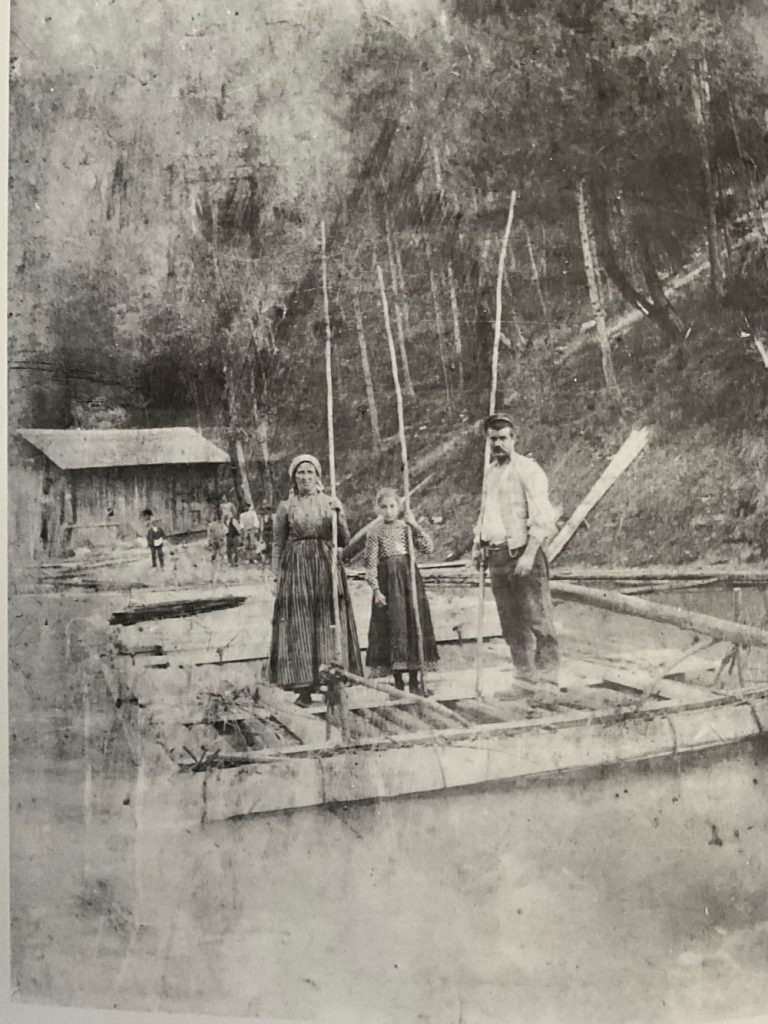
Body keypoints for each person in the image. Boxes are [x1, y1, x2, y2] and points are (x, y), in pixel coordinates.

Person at [472, 412, 560, 684]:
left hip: (522, 555)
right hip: (496, 557)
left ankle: (548, 680)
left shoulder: (527, 470)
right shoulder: (490, 473)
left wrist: (530, 554)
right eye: (492, 439)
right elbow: (486, 513)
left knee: (537, 619)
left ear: (514, 439)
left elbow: (542, 516)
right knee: (510, 623)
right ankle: (524, 678)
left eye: (502, 438)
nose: (497, 444)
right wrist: (478, 544)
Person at [269, 454, 363, 706]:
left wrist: (338, 515)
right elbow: (277, 544)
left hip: (325, 565)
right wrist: (276, 576)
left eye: (310, 473)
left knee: (328, 621)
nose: (305, 477)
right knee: (299, 624)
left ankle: (332, 682)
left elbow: (344, 540)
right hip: (297, 567)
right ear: (293, 478)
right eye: (301, 473)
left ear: (317, 476)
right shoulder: (285, 507)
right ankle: (304, 687)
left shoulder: (330, 503)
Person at [364, 487, 438, 692]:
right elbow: (369, 563)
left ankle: (414, 682)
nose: (388, 511)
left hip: (409, 581)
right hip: (388, 582)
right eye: (384, 507)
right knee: (393, 627)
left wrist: (414, 525)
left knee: (414, 624)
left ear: (399, 507)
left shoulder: (406, 528)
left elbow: (428, 548)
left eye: (392, 506)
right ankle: (397, 682)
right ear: (377, 509)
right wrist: (376, 590)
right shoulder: (375, 532)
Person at [207, 508, 228, 582]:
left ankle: (212, 577)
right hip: (220, 542)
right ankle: (223, 578)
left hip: (214, 542)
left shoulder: (211, 525)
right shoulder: (222, 525)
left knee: (213, 560)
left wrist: (209, 543)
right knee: (222, 559)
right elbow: (225, 532)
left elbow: (209, 535)